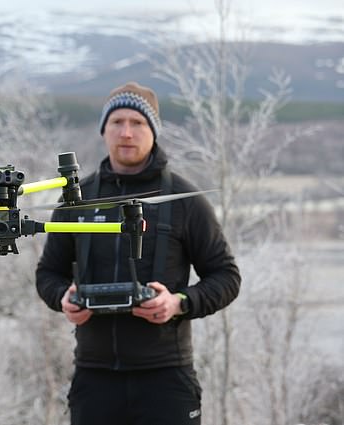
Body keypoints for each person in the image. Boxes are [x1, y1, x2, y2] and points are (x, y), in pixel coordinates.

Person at [35, 81, 241, 425]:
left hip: (166, 378)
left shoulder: (184, 200)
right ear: (104, 131)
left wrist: (179, 303)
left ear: (153, 131)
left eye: (137, 123)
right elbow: (48, 273)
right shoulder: (77, 200)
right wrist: (63, 298)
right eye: (117, 123)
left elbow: (226, 276)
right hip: (94, 378)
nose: (126, 133)